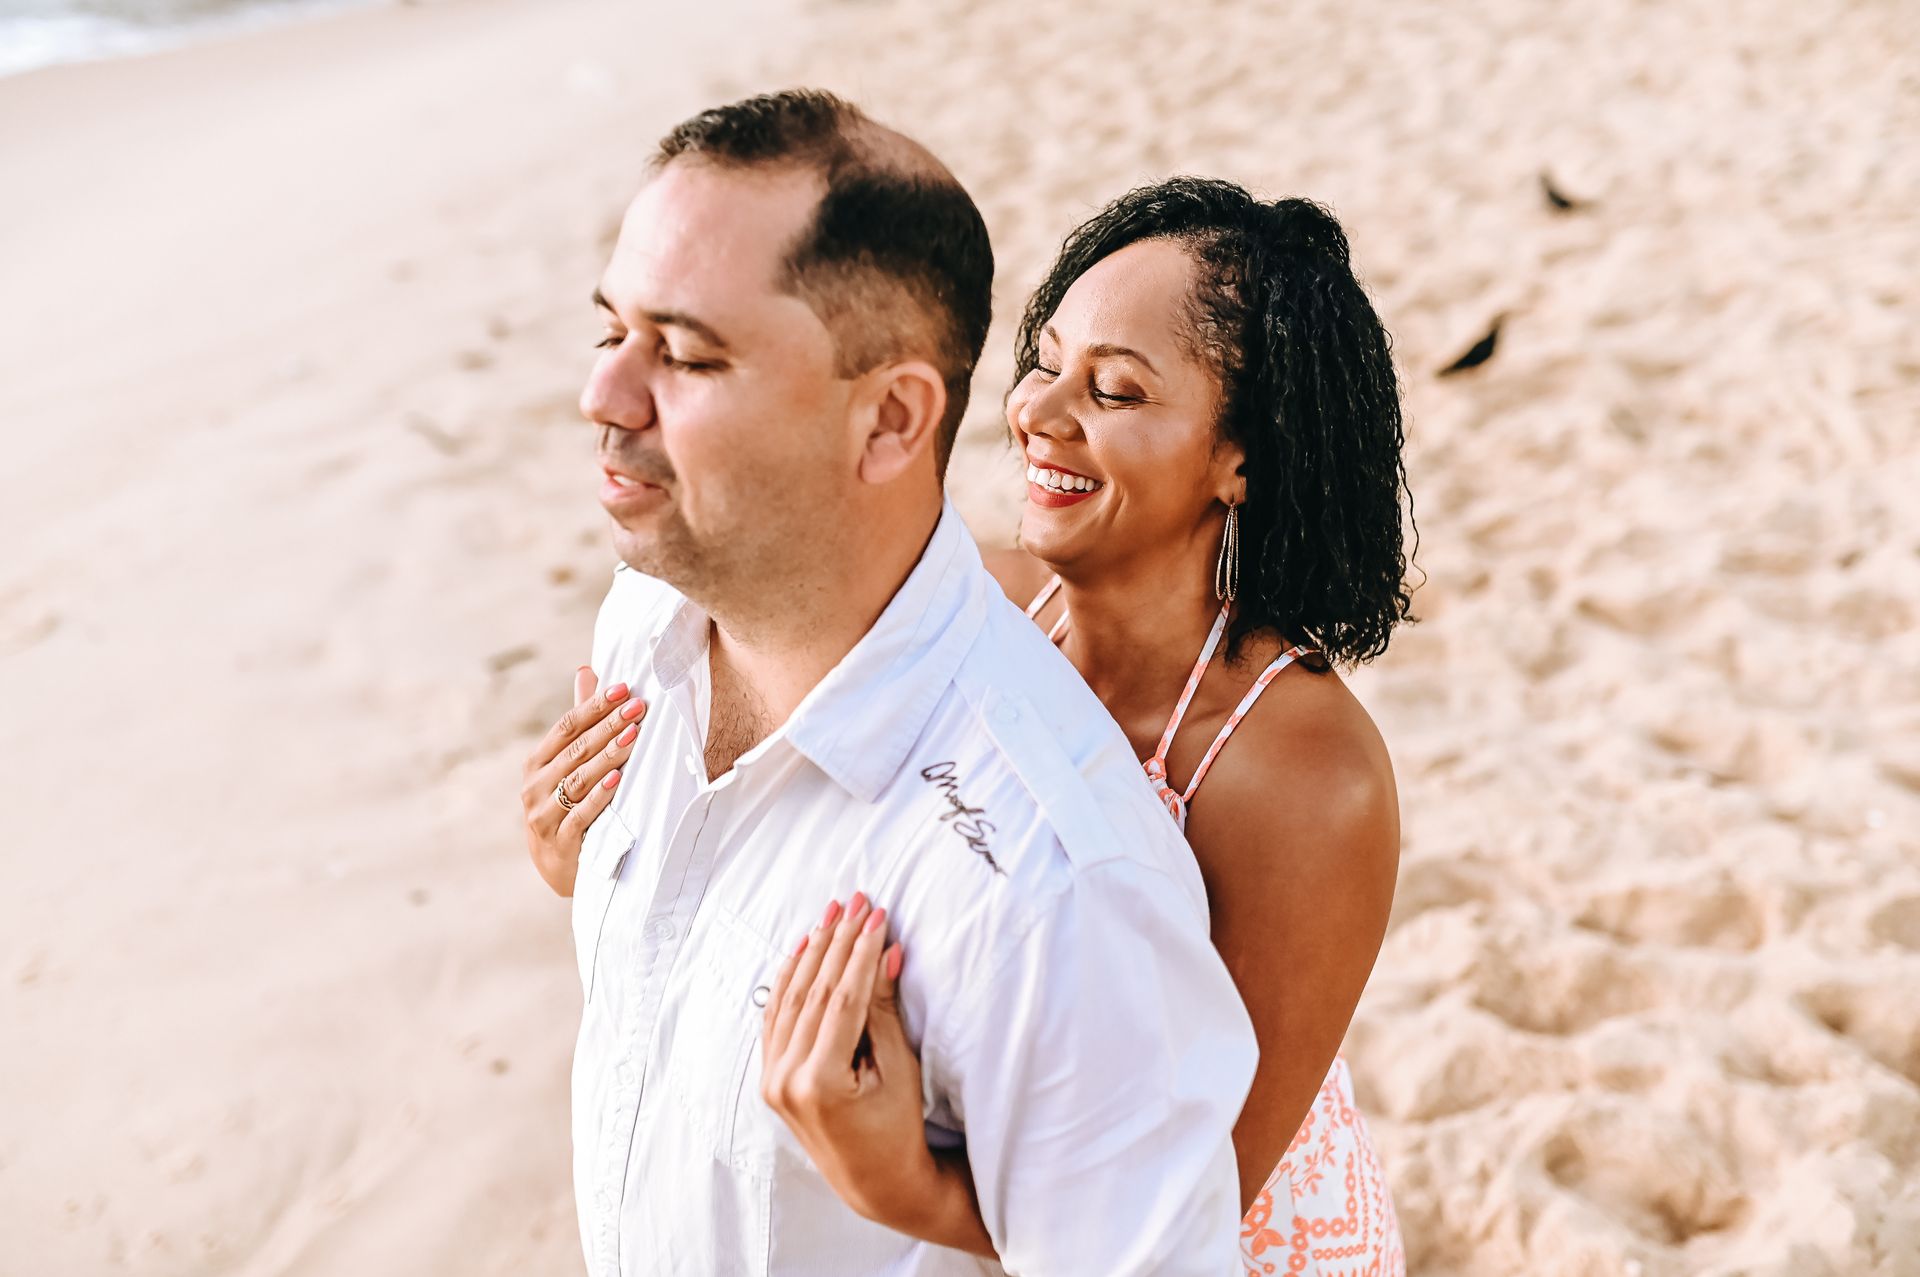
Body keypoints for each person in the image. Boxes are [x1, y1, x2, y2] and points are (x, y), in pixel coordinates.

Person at [519, 90, 1258, 1277]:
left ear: (891, 419)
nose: (606, 398)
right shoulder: (643, 624)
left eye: (690, 355)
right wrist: (592, 872)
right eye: (611, 332)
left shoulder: (1052, 888)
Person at [755, 178, 1413, 1277]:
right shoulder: (988, 607)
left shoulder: (1300, 769)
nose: (1038, 414)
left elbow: (1200, 1190)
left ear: (1240, 456)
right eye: (1046, 359)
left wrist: (900, 1183)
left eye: (1111, 389)